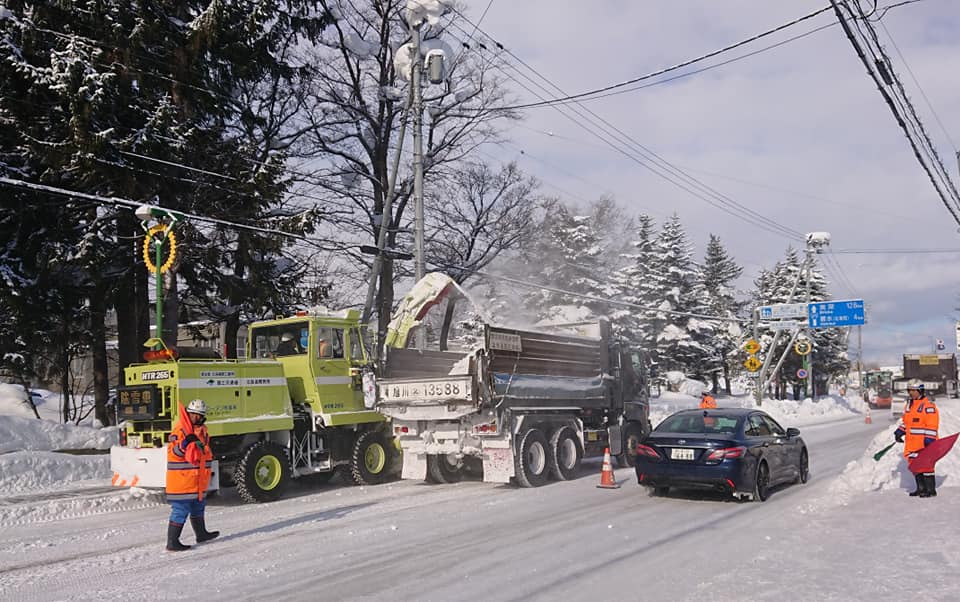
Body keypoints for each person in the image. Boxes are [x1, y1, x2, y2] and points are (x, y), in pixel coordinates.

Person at [166, 399, 219, 551]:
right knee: (180, 509)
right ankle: (172, 541)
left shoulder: (202, 432)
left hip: (196, 480)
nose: (195, 417)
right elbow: (173, 453)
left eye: (198, 415)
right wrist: (184, 444)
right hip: (182, 479)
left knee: (198, 505)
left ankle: (201, 533)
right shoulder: (181, 431)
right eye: (192, 414)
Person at [894, 380, 939, 498]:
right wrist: (900, 431)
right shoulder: (909, 406)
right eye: (910, 390)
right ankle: (921, 488)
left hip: (924, 443)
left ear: (920, 391)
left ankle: (930, 490)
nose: (912, 393)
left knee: (926, 466)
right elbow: (907, 422)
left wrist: (929, 439)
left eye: (914, 390)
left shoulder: (928, 406)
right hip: (912, 444)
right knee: (915, 465)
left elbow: (932, 425)